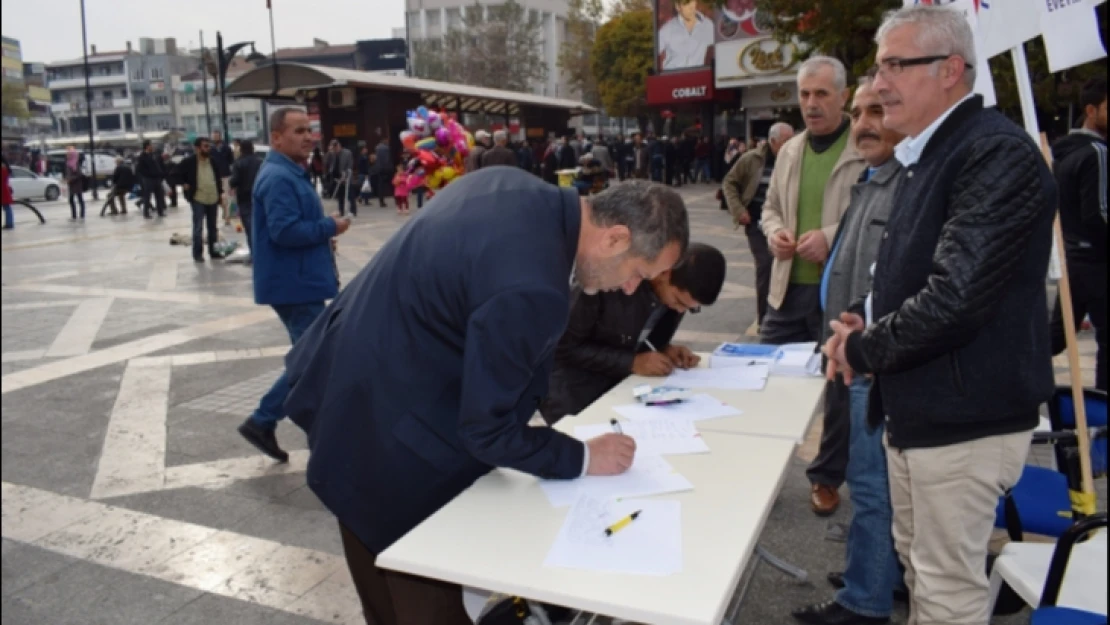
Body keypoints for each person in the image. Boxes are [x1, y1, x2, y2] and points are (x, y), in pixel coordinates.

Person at [280, 174, 688, 624]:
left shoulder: (511, 186)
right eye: (638, 274)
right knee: (423, 601)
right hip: (390, 442)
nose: (631, 289)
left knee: (379, 582)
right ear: (615, 238)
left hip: (354, 386)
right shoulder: (532, 285)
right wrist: (584, 457)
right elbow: (487, 430)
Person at [823, 7, 1056, 624]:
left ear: (952, 70)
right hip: (924, 409)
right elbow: (901, 274)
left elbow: (956, 297)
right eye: (878, 68)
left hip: (964, 418)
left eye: (897, 66)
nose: (878, 84)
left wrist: (863, 349)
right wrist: (858, 317)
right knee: (922, 568)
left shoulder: (992, 154)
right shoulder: (931, 154)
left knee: (946, 590)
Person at [791, 77, 906, 625]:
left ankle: (865, 600)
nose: (864, 123)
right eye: (859, 112)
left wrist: (858, 341)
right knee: (876, 484)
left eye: (877, 110)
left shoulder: (906, 185)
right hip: (851, 349)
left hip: (874, 359)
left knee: (870, 484)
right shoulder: (871, 179)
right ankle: (879, 570)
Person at [760, 55, 866, 517]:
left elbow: (874, 214)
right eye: (804, 94)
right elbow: (769, 208)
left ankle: (826, 477)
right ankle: (756, 470)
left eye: (822, 93)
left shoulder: (863, 149)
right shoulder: (789, 149)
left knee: (838, 391)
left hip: (837, 292)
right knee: (765, 380)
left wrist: (831, 235)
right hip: (787, 288)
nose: (811, 103)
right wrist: (774, 233)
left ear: (843, 96)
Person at [236, 108, 352, 462]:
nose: (308, 137)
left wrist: (321, 233)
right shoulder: (278, 177)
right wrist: (328, 228)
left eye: (310, 130)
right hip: (294, 284)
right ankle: (266, 420)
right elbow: (284, 232)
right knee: (314, 360)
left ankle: (276, 423)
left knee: (311, 359)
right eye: (299, 130)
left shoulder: (289, 172)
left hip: (297, 280)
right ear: (276, 138)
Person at [540, 242, 725, 424]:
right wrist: (631, 362)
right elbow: (563, 347)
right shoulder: (608, 282)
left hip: (623, 389)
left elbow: (635, 337)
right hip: (574, 391)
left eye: (690, 309)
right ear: (665, 273)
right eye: (679, 301)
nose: (680, 310)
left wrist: (663, 349)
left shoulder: (672, 298)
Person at [1050, 76, 1106, 391]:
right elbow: (1097, 213)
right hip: (1095, 260)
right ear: (1091, 110)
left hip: (1074, 258)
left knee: (1058, 336)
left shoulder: (1067, 152)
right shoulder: (1096, 152)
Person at [723, 122, 795, 333]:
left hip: (784, 223)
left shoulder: (794, 158)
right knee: (765, 264)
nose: (791, 145)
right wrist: (738, 210)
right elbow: (729, 182)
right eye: (785, 141)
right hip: (756, 222)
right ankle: (764, 317)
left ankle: (783, 312)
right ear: (773, 142)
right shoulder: (751, 159)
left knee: (784, 265)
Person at [179, 137, 224, 263]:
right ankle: (198, 254)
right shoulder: (189, 162)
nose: (208, 149)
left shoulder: (213, 162)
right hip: (198, 198)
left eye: (208, 146)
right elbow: (174, 174)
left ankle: (214, 252)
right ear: (197, 148)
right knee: (198, 228)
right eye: (205, 146)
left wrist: (220, 194)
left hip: (213, 197)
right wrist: (184, 184)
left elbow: (218, 179)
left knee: (213, 227)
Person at [658, 0, 714, 71]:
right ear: (678, 7)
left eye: (692, 2)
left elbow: (722, 48)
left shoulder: (708, 25)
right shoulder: (668, 29)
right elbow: (653, 51)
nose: (691, 7)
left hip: (696, 77)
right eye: (686, 3)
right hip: (672, 77)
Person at [229, 139, 264, 254]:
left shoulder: (238, 163)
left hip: (244, 198)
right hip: (260, 196)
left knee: (250, 228)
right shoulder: (260, 162)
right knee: (261, 226)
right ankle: (262, 251)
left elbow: (234, 181)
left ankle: (254, 253)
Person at [210, 130, 235, 225]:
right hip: (214, 177)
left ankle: (227, 217)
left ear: (220, 137)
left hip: (225, 175)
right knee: (218, 198)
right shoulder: (211, 149)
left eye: (217, 136)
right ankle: (225, 212)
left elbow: (231, 162)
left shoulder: (226, 148)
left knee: (227, 197)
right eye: (214, 136)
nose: (215, 138)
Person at [136, 141, 166, 219]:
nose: (152, 147)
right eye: (151, 145)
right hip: (148, 179)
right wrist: (147, 175)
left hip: (157, 178)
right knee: (147, 196)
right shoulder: (142, 156)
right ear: (147, 146)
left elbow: (158, 165)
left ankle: (160, 211)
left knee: (159, 195)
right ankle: (146, 213)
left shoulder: (154, 155)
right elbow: (140, 169)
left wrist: (161, 174)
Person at [64, 146, 87, 221]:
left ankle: (81, 215)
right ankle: (74, 215)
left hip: (76, 185)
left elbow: (79, 174)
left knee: (79, 199)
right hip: (71, 185)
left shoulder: (76, 164)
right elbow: (68, 173)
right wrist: (66, 178)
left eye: (68, 154)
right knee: (72, 200)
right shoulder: (68, 163)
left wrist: (71, 179)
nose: (67, 155)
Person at [373, 137, 394, 208]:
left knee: (380, 186)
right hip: (387, 168)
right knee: (391, 184)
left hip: (379, 169)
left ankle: (381, 201)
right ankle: (396, 198)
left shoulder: (377, 148)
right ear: (385, 142)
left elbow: (376, 159)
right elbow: (387, 159)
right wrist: (390, 167)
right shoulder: (386, 148)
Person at [2, 156, 13, 230]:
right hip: (5, 190)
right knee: (7, 208)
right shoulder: (6, 168)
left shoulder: (2, 169)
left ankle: (9, 224)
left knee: (7, 208)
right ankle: (9, 223)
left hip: (2, 190)